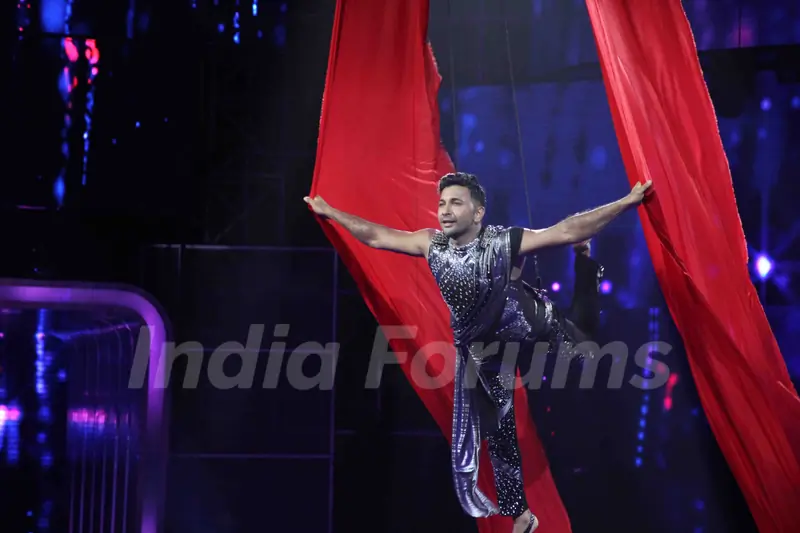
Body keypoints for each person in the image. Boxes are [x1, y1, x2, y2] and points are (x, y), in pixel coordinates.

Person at [304, 172, 651, 533]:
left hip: (523, 319)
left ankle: (585, 265)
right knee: (498, 430)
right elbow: (376, 236)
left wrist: (626, 202)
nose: (445, 211)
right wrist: (331, 212)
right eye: (441, 203)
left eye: (456, 203)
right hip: (483, 348)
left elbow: (564, 231)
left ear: (478, 212)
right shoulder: (430, 244)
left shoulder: (503, 241)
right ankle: (521, 516)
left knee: (584, 350)